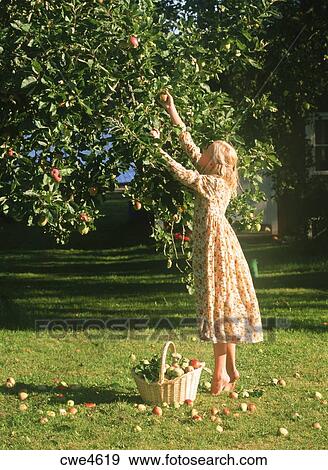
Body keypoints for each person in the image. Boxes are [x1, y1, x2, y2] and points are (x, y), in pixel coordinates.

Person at [152, 91, 263, 395]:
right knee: (223, 306)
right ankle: (229, 368)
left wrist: (156, 149)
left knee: (216, 307)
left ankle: (220, 375)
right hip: (216, 245)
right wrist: (172, 111)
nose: (198, 152)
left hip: (214, 248)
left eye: (205, 152)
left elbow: (184, 173)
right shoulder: (217, 177)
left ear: (213, 163)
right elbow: (188, 144)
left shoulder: (212, 183)